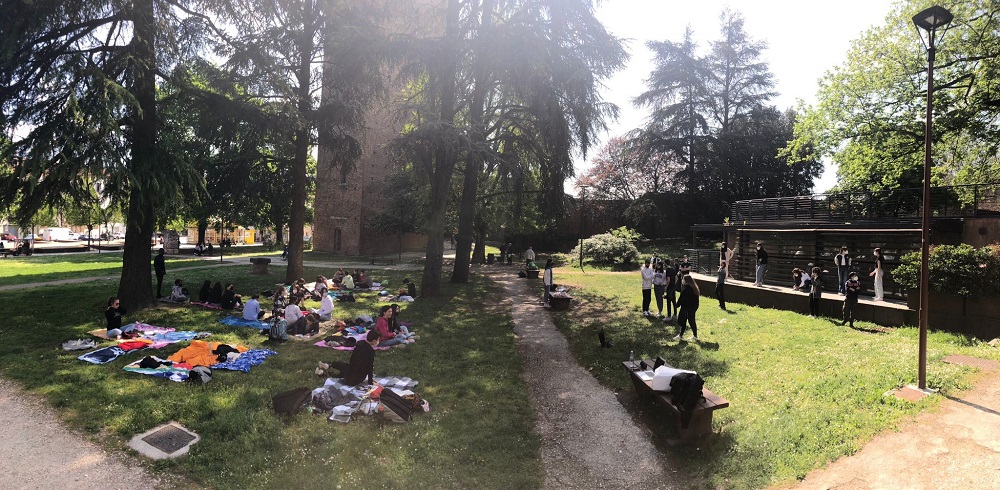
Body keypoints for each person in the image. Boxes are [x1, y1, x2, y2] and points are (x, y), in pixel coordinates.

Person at [316, 329, 381, 385]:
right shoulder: (370, 351)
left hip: (351, 371)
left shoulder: (359, 344)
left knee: (340, 365)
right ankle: (323, 373)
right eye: (378, 340)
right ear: (374, 342)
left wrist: (350, 368)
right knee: (341, 375)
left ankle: (327, 366)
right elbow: (370, 368)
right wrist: (370, 381)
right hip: (357, 378)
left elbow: (352, 359)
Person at [674, 275, 700, 341]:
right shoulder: (695, 288)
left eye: (683, 279)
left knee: (683, 321)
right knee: (691, 321)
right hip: (693, 307)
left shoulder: (686, 289)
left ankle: (681, 335)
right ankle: (694, 335)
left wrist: (676, 305)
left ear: (685, 281)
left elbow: (681, 299)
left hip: (686, 307)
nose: (682, 281)